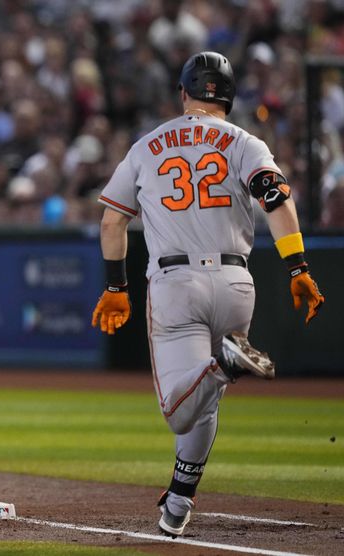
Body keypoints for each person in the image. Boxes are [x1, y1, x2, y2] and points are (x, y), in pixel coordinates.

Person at [90, 52, 324, 537]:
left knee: (180, 411)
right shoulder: (244, 141)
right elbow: (277, 199)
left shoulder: (148, 145)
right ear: (230, 96)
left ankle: (226, 362)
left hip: (176, 284)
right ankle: (178, 501)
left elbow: (114, 219)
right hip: (237, 283)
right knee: (207, 397)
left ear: (183, 93)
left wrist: (116, 286)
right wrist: (298, 268)